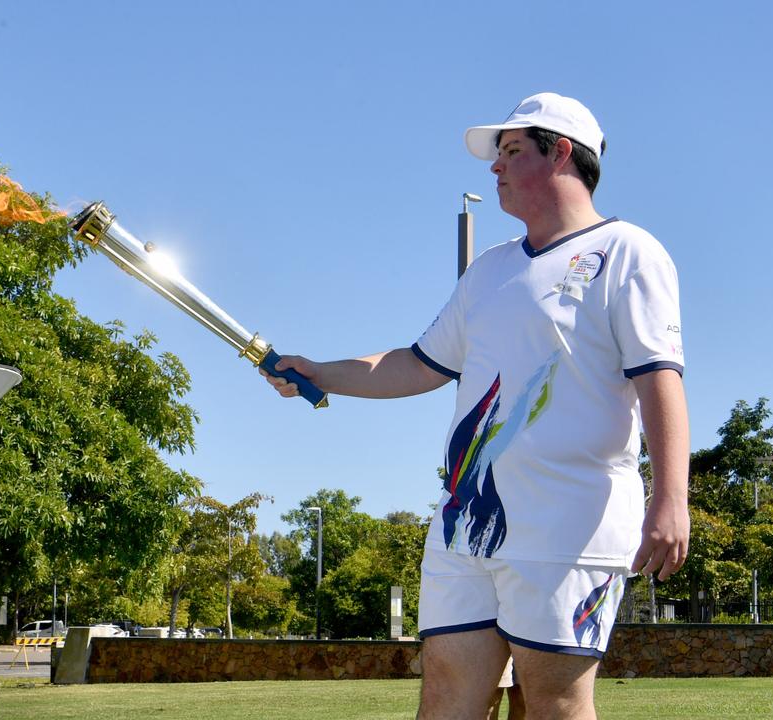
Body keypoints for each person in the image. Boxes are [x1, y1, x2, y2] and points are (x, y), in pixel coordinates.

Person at [263, 92, 689, 719]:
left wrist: (670, 500)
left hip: (570, 526)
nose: (494, 167)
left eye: (511, 151)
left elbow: (661, 380)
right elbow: (417, 364)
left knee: (553, 704)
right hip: (466, 526)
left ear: (562, 153)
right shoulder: (489, 270)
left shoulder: (628, 252)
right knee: (444, 700)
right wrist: (320, 372)